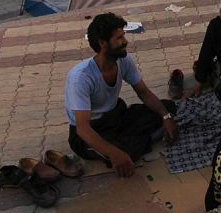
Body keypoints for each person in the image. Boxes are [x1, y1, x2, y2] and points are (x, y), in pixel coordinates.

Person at [65, 13, 178, 178]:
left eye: (123, 36)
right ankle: (133, 143)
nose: (125, 41)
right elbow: (83, 128)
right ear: (103, 43)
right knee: (124, 153)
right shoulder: (81, 77)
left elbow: (144, 93)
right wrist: (114, 153)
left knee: (168, 107)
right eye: (119, 38)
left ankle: (137, 139)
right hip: (90, 130)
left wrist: (166, 116)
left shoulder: (123, 60)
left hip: (116, 116)